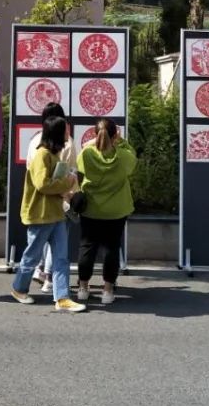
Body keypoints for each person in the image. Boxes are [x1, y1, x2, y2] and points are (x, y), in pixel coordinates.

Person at [10, 116, 85, 312]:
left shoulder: (53, 154)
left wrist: (65, 189)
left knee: (61, 258)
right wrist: (68, 183)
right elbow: (42, 184)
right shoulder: (42, 154)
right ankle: (19, 288)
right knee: (32, 255)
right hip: (41, 214)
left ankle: (62, 298)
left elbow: (50, 184)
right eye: (65, 130)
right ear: (57, 133)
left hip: (56, 213)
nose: (68, 133)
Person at [75, 118, 135, 305]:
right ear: (115, 135)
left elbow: (79, 164)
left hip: (91, 209)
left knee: (87, 247)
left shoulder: (87, 153)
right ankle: (107, 291)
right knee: (112, 249)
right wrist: (120, 141)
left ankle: (83, 288)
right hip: (116, 210)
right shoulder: (124, 156)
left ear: (95, 134)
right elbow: (132, 159)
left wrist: (93, 142)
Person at [25, 102, 76, 293]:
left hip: (37, 202)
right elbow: (68, 173)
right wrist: (68, 190)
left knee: (42, 245)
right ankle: (43, 280)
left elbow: (31, 172)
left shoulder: (35, 141)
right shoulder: (64, 144)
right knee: (56, 246)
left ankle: (46, 281)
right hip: (58, 199)